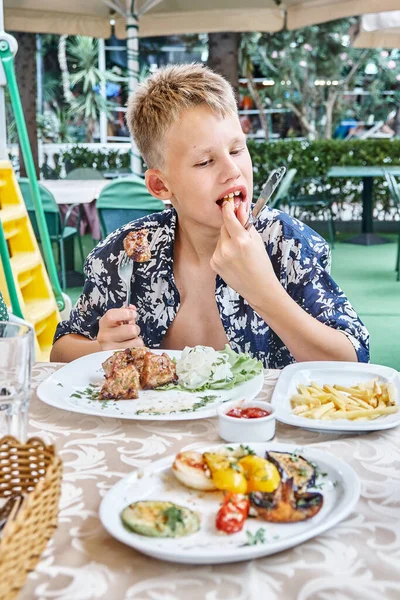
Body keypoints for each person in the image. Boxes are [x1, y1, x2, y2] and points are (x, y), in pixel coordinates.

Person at [50, 64, 369, 367]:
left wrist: (263, 292)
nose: (233, 172)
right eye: (205, 162)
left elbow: (355, 360)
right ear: (161, 185)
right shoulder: (127, 252)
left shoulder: (287, 245)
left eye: (236, 150)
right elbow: (60, 349)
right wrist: (100, 349)